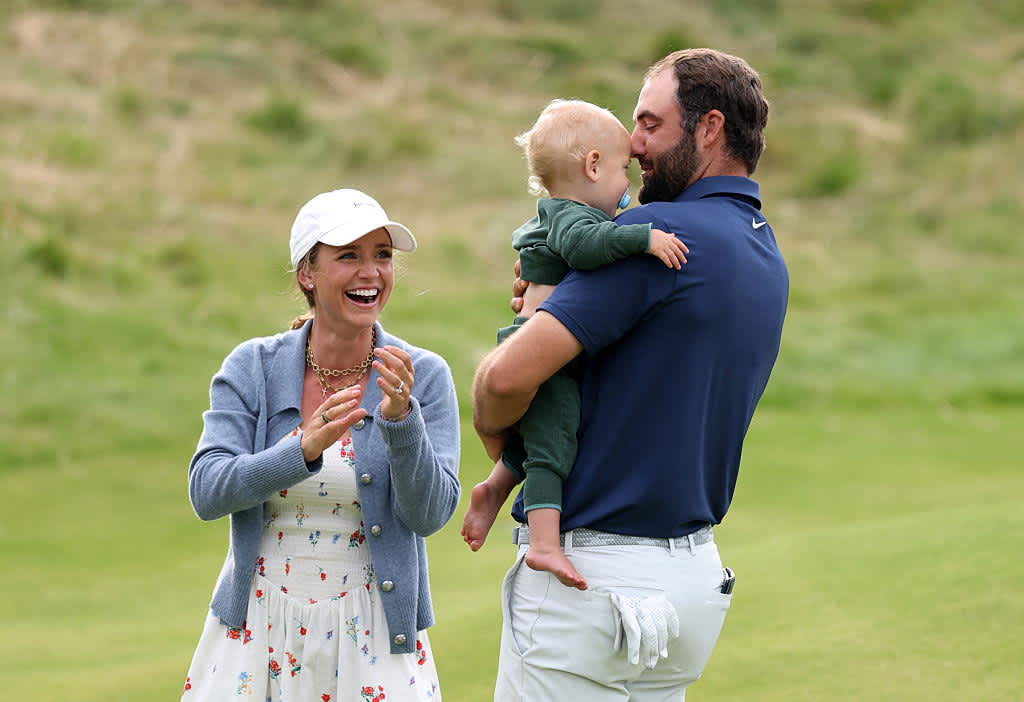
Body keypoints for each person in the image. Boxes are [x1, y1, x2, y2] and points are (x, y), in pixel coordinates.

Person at [472, 48, 789, 701]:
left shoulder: (657, 232)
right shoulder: (766, 252)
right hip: (692, 584)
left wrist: (497, 431)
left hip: (592, 583)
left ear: (709, 128)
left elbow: (506, 380)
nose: (635, 143)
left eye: (650, 123)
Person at [180, 188, 460, 702]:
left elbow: (431, 514)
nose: (371, 272)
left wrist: (402, 425)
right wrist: (301, 450)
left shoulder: (423, 375)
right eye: (348, 255)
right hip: (258, 631)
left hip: (374, 631)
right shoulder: (253, 367)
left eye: (381, 255)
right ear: (307, 273)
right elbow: (206, 490)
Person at [460, 99, 688, 591]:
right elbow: (587, 248)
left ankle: (495, 487)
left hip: (543, 346)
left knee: (547, 433)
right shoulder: (571, 217)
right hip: (542, 358)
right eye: (623, 170)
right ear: (592, 166)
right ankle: (544, 544)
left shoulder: (558, 213)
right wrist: (641, 239)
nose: (629, 186)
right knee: (552, 445)